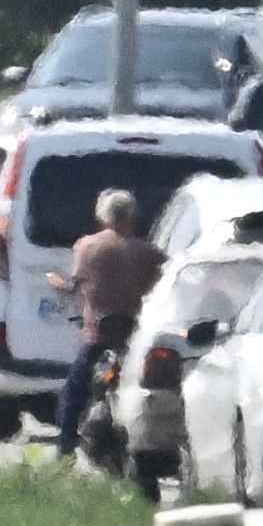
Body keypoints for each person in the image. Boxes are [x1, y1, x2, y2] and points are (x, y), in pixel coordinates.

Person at [57, 189, 160, 458]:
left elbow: (74, 285)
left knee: (74, 390)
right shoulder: (148, 253)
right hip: (133, 337)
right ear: (131, 216)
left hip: (98, 334)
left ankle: (65, 444)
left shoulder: (87, 246)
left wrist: (57, 283)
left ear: (103, 216)